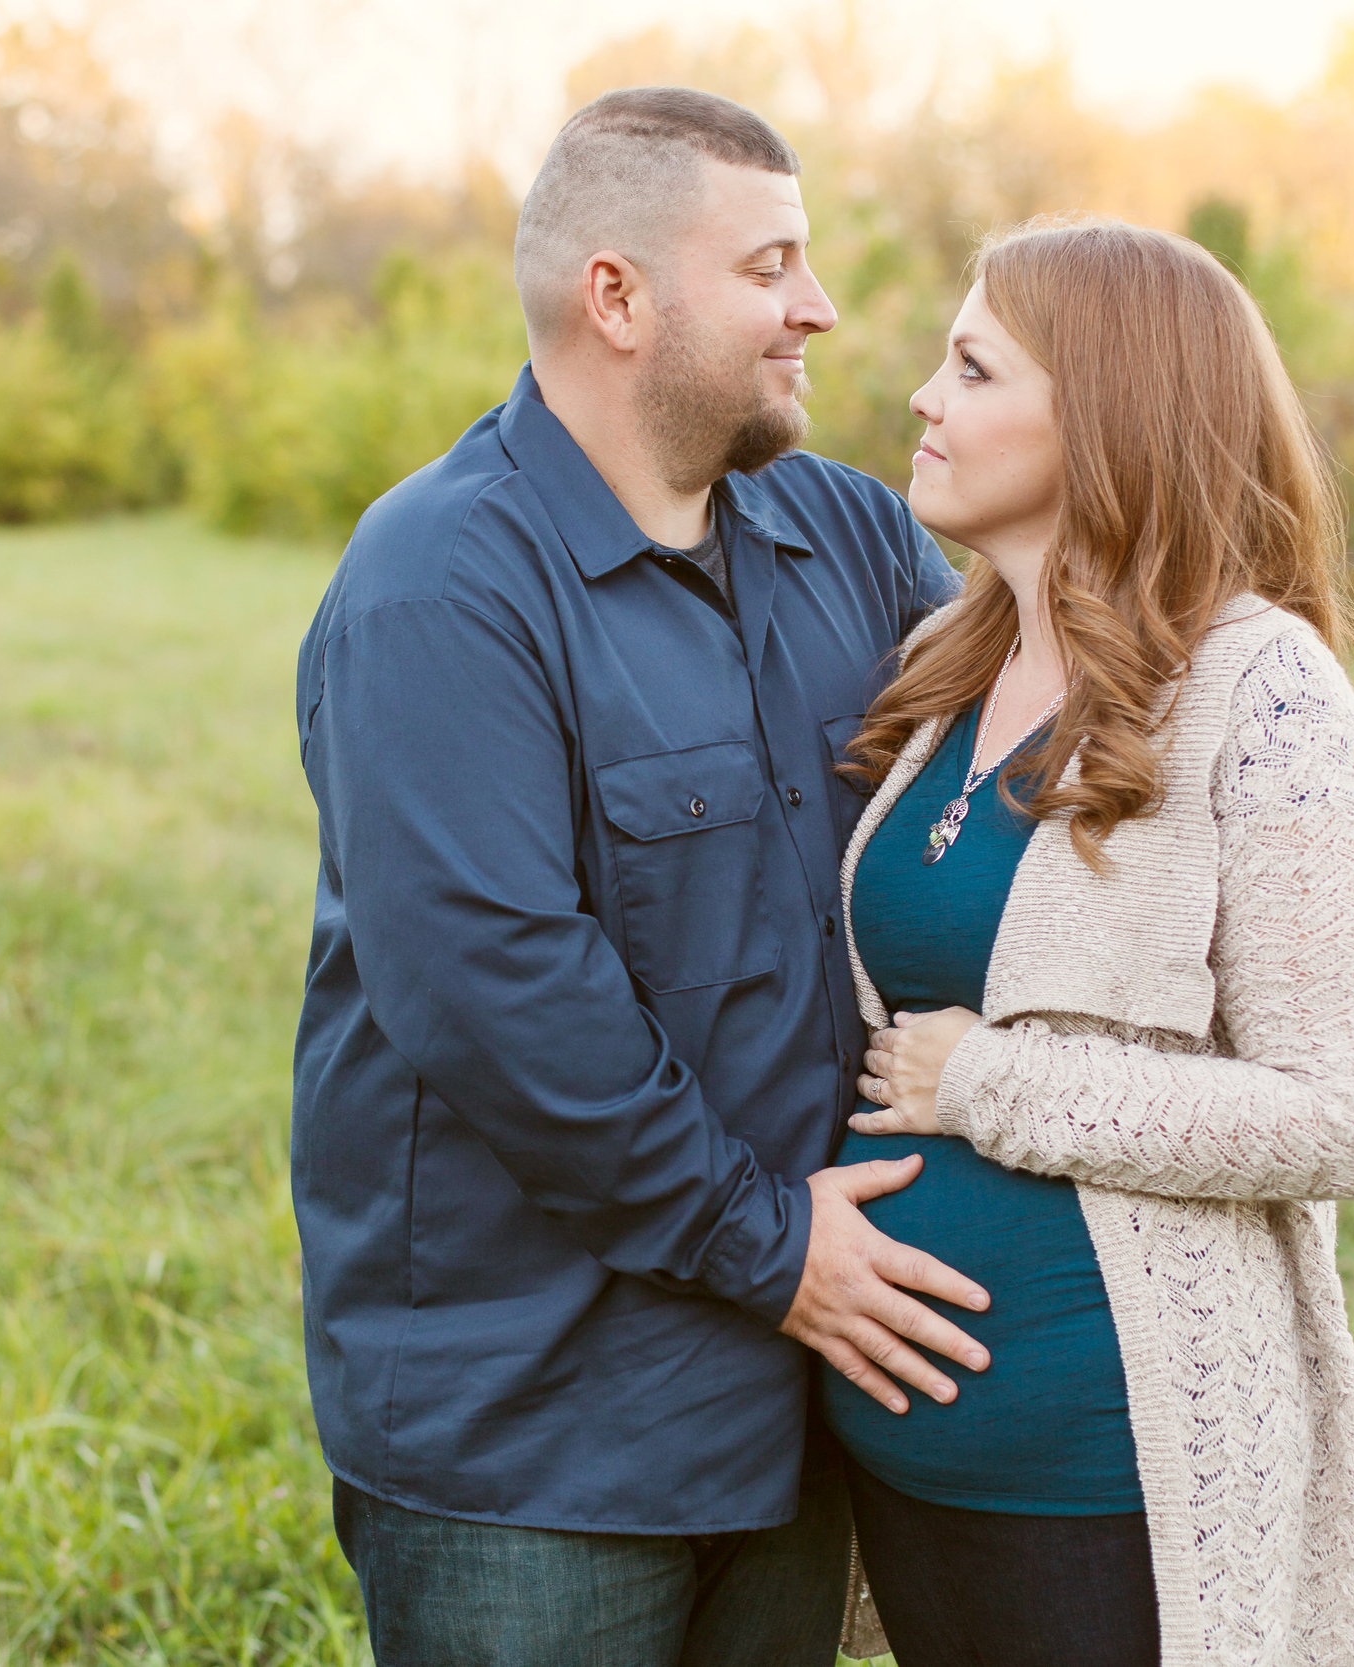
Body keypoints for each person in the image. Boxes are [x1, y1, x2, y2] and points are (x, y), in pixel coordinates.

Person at [292, 88, 984, 1666]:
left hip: (796, 1398)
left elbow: (1007, 803)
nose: (818, 307)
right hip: (537, 1435)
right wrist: (775, 1246)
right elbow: (500, 995)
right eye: (769, 266)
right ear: (617, 297)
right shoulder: (439, 584)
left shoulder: (853, 536)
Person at [834, 216, 1354, 1667]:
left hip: (1114, 1477)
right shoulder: (945, 662)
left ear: (1104, 413)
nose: (923, 395)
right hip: (906, 1465)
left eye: (973, 366)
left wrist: (990, 1085)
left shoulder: (1261, 690)